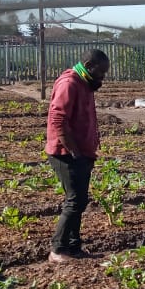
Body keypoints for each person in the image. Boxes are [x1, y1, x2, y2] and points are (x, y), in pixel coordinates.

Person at [45, 49, 110, 262]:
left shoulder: (84, 83)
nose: (102, 77)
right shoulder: (69, 84)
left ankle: (73, 246)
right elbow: (58, 120)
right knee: (75, 200)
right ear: (89, 65)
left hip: (81, 153)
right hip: (66, 153)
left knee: (78, 200)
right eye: (100, 71)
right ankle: (58, 249)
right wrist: (75, 152)